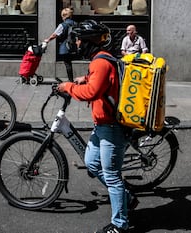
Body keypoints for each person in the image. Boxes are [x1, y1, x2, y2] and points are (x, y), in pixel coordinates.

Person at [57, 20, 137, 233]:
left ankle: (120, 225)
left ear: (89, 42)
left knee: (112, 176)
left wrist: (69, 87)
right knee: (92, 163)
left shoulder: (100, 62)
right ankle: (126, 197)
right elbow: (101, 82)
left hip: (111, 127)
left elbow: (91, 93)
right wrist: (86, 78)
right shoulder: (101, 61)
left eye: (80, 40)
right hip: (102, 125)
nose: (77, 44)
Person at [44, 7, 76, 82]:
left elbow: (55, 34)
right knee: (69, 63)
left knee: (67, 64)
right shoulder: (75, 23)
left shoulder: (63, 25)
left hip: (65, 47)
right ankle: (71, 79)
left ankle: (70, 80)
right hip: (73, 46)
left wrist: (48, 40)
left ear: (64, 16)